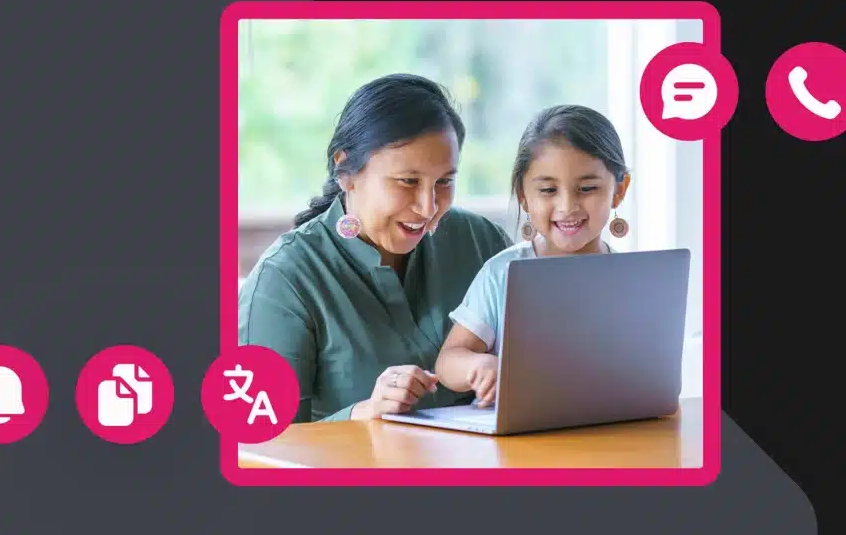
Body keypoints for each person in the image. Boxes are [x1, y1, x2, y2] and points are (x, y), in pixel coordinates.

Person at [238, 74, 513, 423]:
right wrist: (363, 414)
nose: (429, 207)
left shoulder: (483, 242)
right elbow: (258, 441)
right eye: (407, 181)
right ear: (346, 171)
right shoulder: (284, 281)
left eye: (444, 182)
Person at [433, 104, 632, 407]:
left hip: (606, 428)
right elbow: (448, 362)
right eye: (549, 190)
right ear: (524, 196)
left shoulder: (633, 277)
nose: (567, 207)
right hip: (518, 440)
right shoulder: (504, 272)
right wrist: (479, 366)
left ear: (618, 191)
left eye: (588, 188)